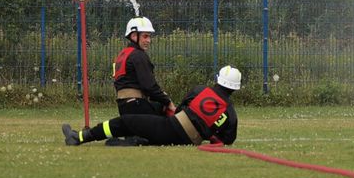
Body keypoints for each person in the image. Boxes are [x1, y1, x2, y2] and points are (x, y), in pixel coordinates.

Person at [64, 66, 242, 147]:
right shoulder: (231, 113)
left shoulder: (201, 90)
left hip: (173, 128)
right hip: (189, 140)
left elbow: (179, 110)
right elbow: (227, 140)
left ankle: (80, 137)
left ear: (218, 79)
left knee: (126, 121)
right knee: (150, 128)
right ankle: (138, 141)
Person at [112, 16, 174, 118]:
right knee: (166, 116)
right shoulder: (138, 55)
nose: (149, 40)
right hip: (137, 106)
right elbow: (149, 86)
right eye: (145, 36)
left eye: (149, 36)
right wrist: (168, 102)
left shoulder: (122, 55)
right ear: (134, 36)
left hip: (123, 106)